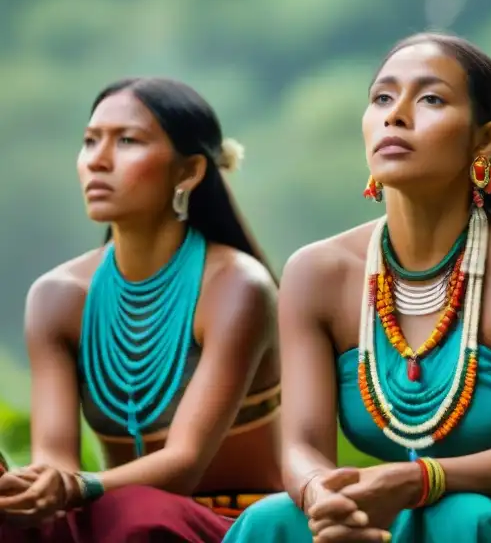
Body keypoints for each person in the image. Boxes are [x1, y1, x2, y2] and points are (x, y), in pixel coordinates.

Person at [222, 33, 491, 542]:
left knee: (462, 517)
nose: (395, 116)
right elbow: (302, 446)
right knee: (272, 522)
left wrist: (413, 480)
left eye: (430, 99)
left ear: (485, 140)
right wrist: (326, 500)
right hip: (399, 506)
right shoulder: (317, 272)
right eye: (382, 98)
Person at [0, 78, 282, 541]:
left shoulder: (236, 287)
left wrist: (72, 487)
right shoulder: (57, 297)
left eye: (126, 141)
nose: (98, 159)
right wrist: (30, 490)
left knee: (138, 514)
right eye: (90, 141)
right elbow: (55, 461)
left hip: (232, 524)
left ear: (189, 171)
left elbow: (184, 464)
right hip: (114, 515)